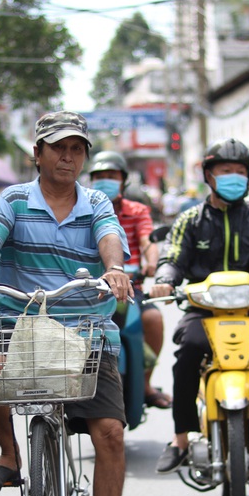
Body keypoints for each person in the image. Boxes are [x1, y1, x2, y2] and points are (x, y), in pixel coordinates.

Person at [0, 111, 145, 496]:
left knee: (111, 434)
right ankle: (10, 455)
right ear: (36, 153)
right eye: (58, 147)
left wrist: (116, 270)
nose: (68, 156)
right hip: (28, 334)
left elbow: (109, 242)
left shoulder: (98, 201)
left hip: (88, 334)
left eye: (77, 148)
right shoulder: (14, 200)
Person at [150, 138, 249, 474]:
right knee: (188, 353)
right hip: (202, 310)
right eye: (225, 171)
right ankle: (181, 438)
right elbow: (172, 256)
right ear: (209, 175)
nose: (233, 177)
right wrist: (164, 278)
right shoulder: (190, 219)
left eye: (240, 172)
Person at [87, 150, 171, 409]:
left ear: (123, 180)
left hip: (130, 292)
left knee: (153, 319)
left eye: (111, 176)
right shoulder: (82, 209)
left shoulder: (137, 211)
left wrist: (152, 263)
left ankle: (145, 384)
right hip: (89, 292)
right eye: (100, 176)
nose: (106, 180)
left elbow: (147, 241)